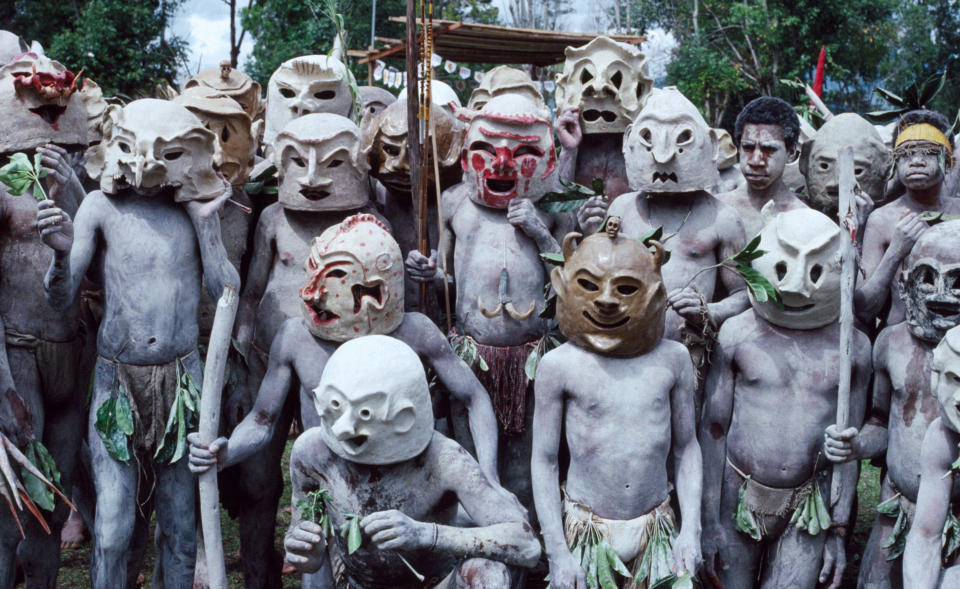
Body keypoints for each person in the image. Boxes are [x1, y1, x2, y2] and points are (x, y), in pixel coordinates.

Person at [283, 335, 540, 587]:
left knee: (489, 572)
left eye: (364, 412)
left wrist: (426, 534)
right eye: (337, 405)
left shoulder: (444, 460)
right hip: (356, 583)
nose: (343, 428)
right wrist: (308, 552)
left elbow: (526, 544)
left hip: (436, 582)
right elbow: (308, 558)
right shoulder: (312, 453)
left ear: (404, 416)